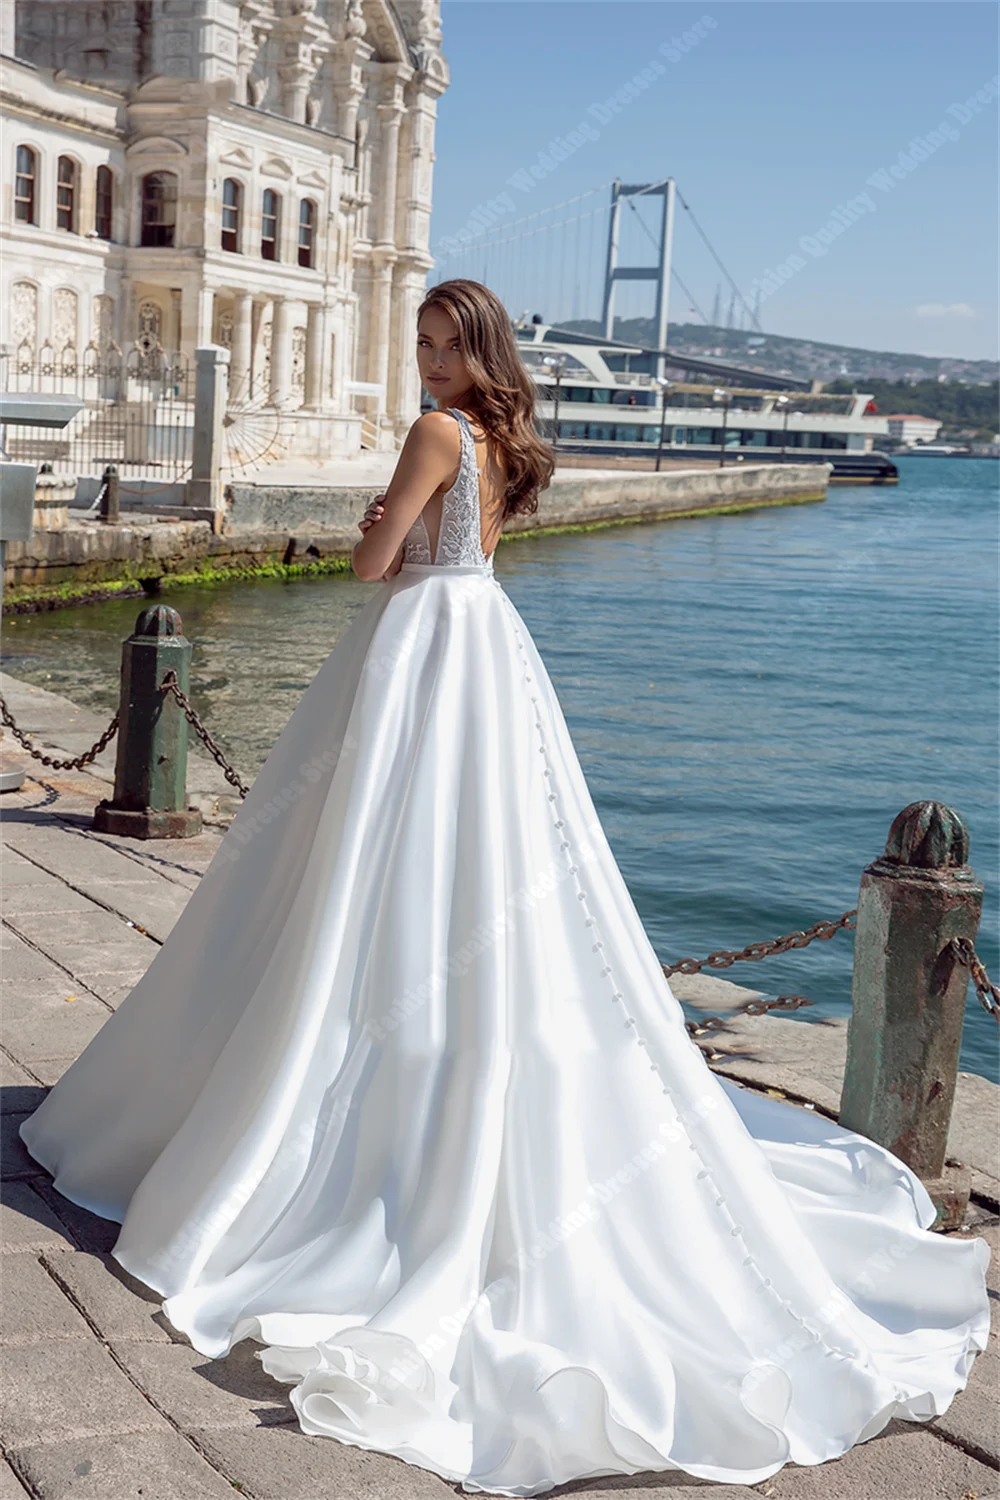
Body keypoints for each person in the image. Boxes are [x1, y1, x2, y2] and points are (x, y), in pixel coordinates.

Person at [20, 279, 990, 1498]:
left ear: (475, 352)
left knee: (361, 859)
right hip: (486, 653)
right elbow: (464, 551)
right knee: (486, 866)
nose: (424, 361)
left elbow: (377, 563)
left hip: (419, 648)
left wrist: (373, 517)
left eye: (440, 343)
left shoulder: (433, 433)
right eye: (418, 342)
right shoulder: (506, 443)